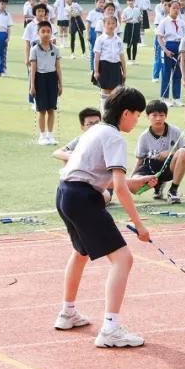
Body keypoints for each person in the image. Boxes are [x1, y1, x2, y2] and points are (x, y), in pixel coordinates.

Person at [54, 87, 151, 348]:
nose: (137, 120)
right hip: (83, 198)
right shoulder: (115, 137)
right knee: (123, 259)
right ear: (126, 113)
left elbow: (106, 178)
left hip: (65, 193)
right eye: (137, 115)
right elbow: (118, 188)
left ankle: (67, 312)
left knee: (81, 252)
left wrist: (136, 182)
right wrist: (139, 225)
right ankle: (110, 328)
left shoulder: (95, 130)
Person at [135, 99, 185, 204]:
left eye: (161, 115)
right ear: (147, 116)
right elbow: (140, 160)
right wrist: (133, 179)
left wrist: (170, 153)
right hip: (151, 170)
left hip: (169, 168)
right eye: (154, 115)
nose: (158, 118)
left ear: (166, 116)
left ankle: (173, 190)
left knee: (183, 152)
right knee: (134, 188)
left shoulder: (175, 131)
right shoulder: (144, 136)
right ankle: (158, 186)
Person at [30, 21, 63, 145]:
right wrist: (32, 86)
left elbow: (58, 67)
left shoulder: (55, 49)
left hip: (52, 79)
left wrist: (60, 84)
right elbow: (33, 69)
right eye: (43, 31)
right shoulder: (34, 49)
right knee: (42, 110)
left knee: (51, 109)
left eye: (48, 31)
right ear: (38, 33)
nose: (46, 34)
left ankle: (50, 135)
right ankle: (42, 136)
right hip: (40, 79)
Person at [93, 15, 125, 110]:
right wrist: (96, 71)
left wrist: (124, 72)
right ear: (104, 25)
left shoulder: (118, 40)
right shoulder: (100, 39)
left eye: (113, 23)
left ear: (116, 25)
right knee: (105, 90)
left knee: (116, 91)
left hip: (116, 67)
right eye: (108, 23)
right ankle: (104, 111)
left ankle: (112, 111)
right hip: (104, 66)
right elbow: (97, 56)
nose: (111, 25)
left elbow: (122, 57)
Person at [156, 0, 184, 105]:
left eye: (178, 8)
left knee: (178, 74)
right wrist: (166, 50)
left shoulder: (181, 22)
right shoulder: (164, 21)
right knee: (166, 73)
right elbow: (159, 37)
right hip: (168, 46)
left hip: (179, 47)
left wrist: (182, 51)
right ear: (169, 8)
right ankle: (165, 97)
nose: (176, 10)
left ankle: (176, 98)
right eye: (174, 8)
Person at [121, 0, 141, 64]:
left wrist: (140, 19)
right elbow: (122, 20)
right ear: (127, 2)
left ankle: (134, 60)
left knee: (135, 44)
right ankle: (129, 59)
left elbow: (139, 18)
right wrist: (128, 19)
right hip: (129, 26)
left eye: (132, 0)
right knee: (129, 43)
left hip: (136, 26)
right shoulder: (125, 10)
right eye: (129, 0)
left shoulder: (137, 9)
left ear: (134, 1)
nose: (130, 2)